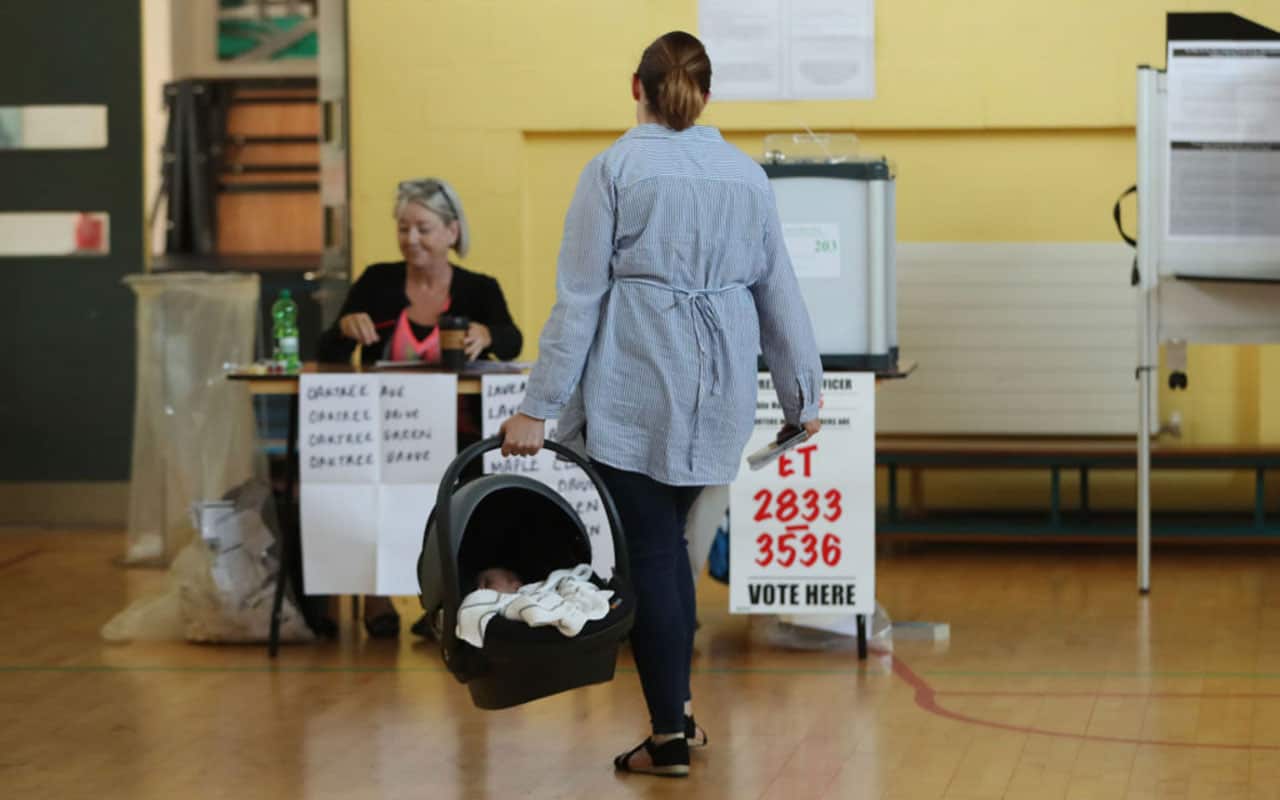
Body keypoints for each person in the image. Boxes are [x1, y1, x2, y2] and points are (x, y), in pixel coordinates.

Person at [500, 31, 822, 778]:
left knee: (651, 554)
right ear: (705, 95)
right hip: (720, 386)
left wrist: (536, 406)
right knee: (666, 547)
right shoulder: (746, 175)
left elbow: (579, 301)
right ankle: (675, 717)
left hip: (637, 381)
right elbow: (781, 293)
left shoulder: (614, 169)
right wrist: (801, 393)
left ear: (635, 87)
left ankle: (669, 733)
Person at [317, 177, 523, 638]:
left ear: (451, 232)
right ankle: (375, 598)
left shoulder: (478, 289)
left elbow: (512, 340)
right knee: (357, 485)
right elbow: (327, 351)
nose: (411, 239)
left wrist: (488, 336)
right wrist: (345, 329)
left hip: (459, 436)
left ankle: (449, 604)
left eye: (423, 228)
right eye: (403, 228)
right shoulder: (377, 282)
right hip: (383, 433)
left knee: (469, 493)